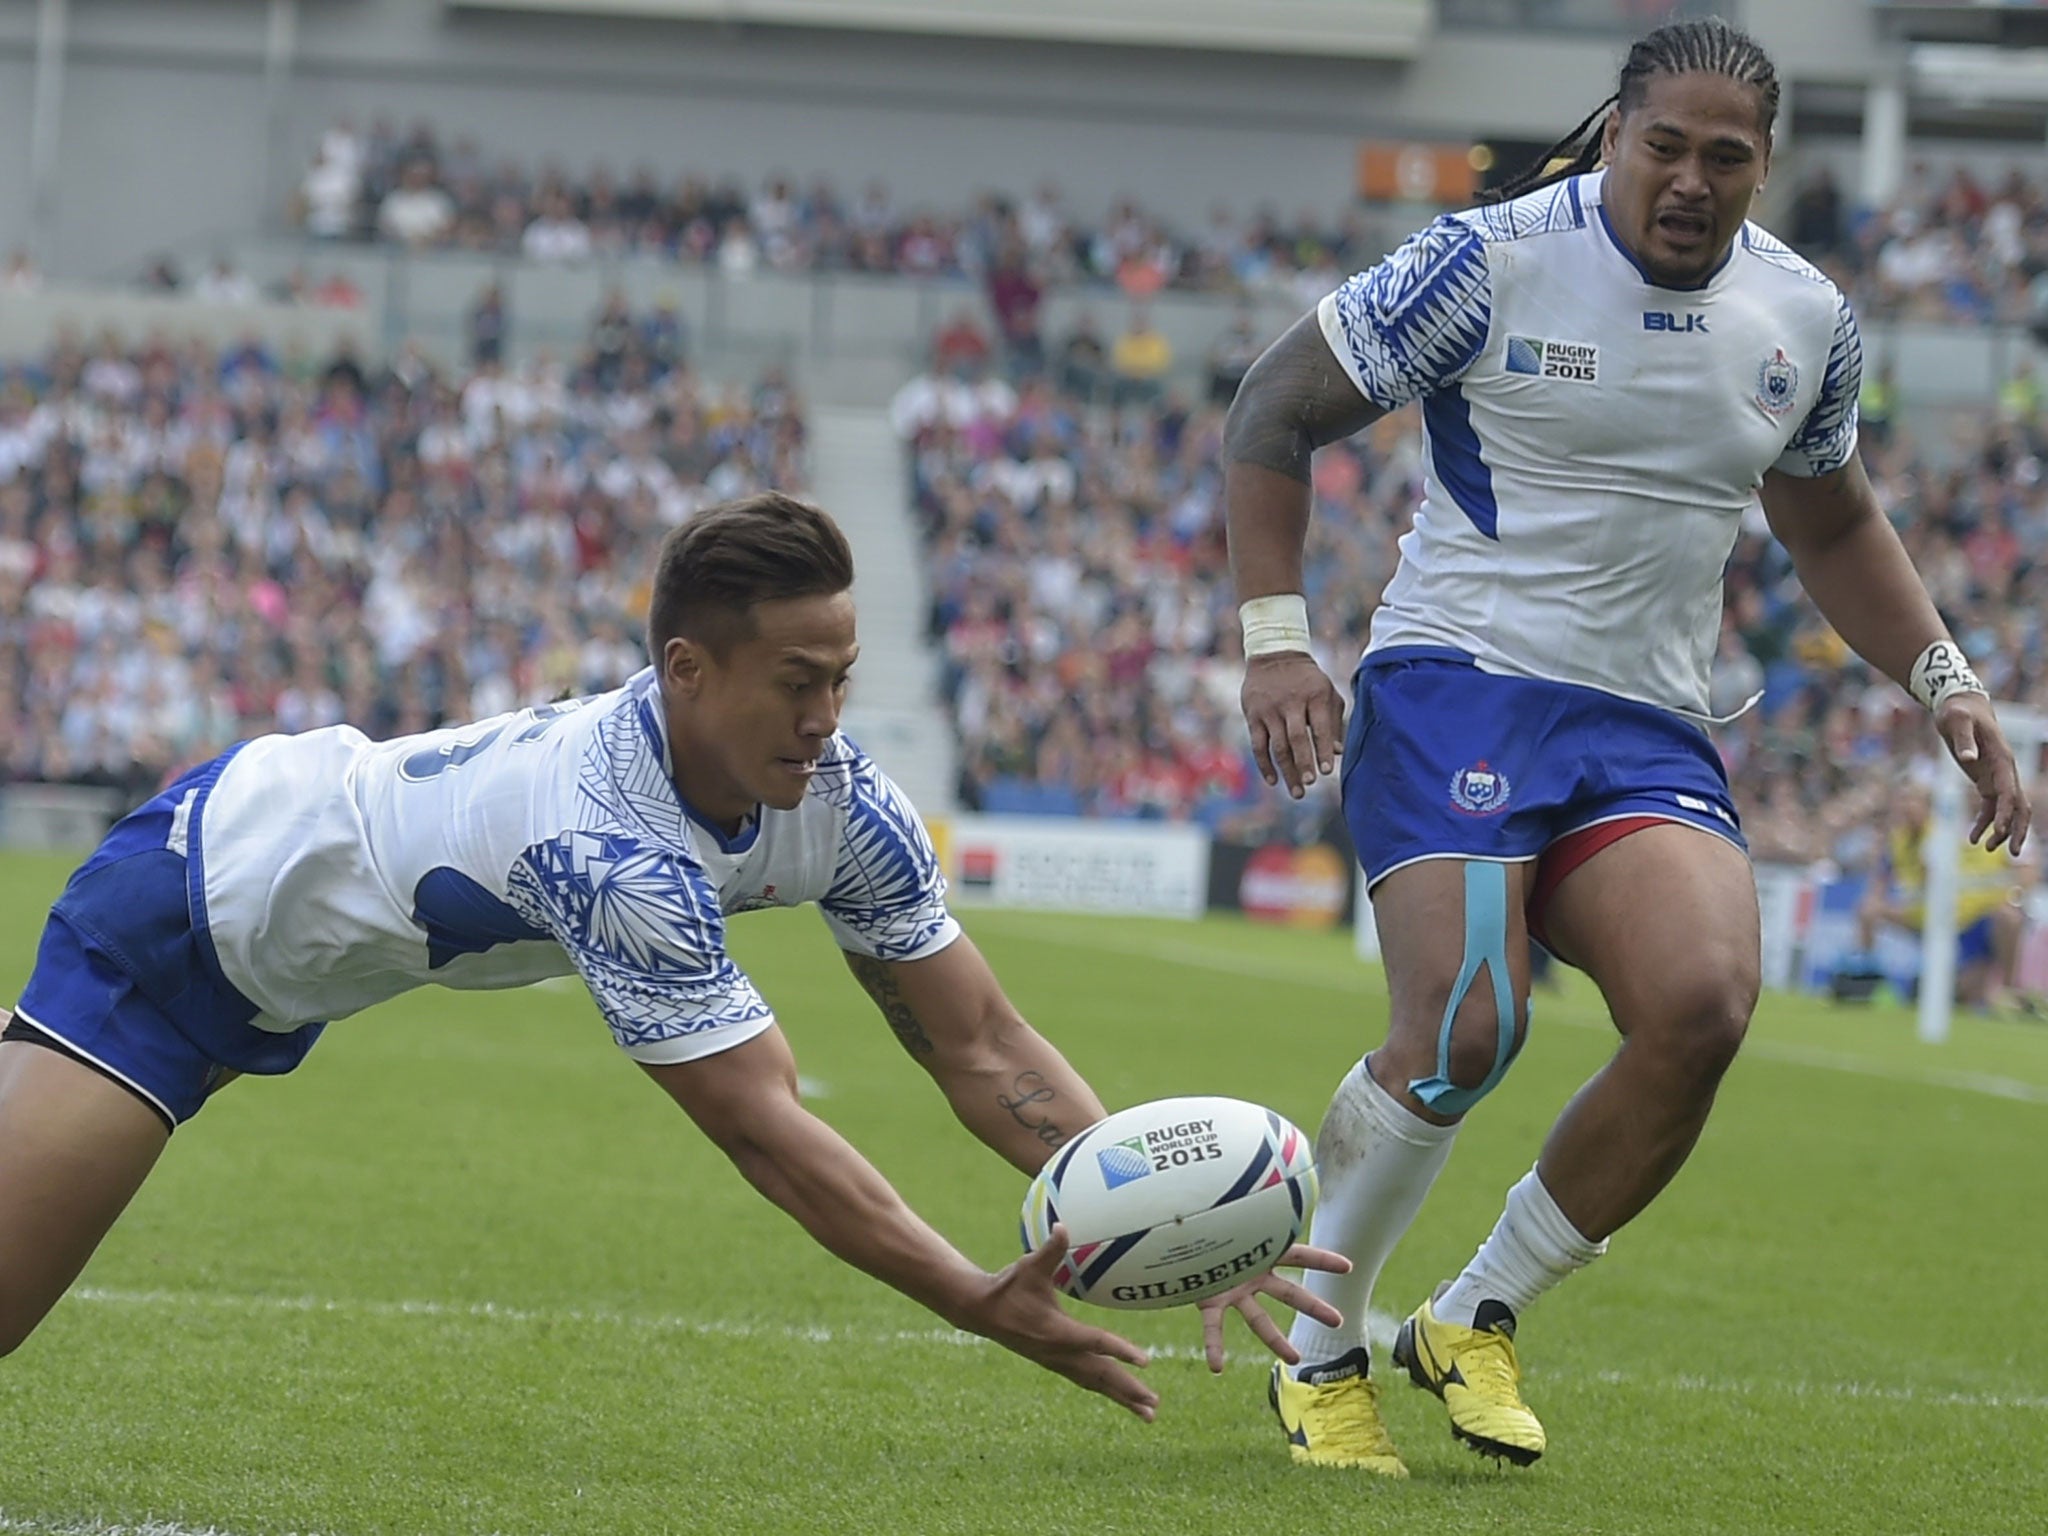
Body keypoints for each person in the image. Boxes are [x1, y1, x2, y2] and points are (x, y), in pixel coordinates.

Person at [0, 493, 1344, 1420]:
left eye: (843, 674)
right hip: (181, 922)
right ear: (686, 669)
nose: (827, 717)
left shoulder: (844, 799)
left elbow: (980, 1043)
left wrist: (1148, 1209)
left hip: (293, 950)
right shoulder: (609, 845)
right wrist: (972, 1296)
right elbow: (763, 1127)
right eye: (796, 681)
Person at [1220, 18, 2031, 1476]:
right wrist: (1277, 636)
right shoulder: (1488, 260)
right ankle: (1319, 1343)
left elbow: (1832, 519)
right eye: (1665, 147)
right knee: (1471, 1023)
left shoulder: (1805, 319)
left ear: (1765, 170)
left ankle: (1475, 1313)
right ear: (1614, 138)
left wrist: (1944, 676)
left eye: (1729, 159)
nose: (1691, 181)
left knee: (1707, 1001)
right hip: (1459, 682)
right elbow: (1274, 407)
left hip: (1644, 720)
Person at [1852, 783, 2030, 1010]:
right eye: (1904, 802)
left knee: (1968, 992)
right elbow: (1883, 878)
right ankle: (1867, 977)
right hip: (1925, 912)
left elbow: (2025, 874)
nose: (1908, 808)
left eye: (1913, 802)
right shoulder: (1906, 837)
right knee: (1868, 909)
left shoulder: (1942, 832)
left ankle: (2007, 990)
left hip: (1963, 915)